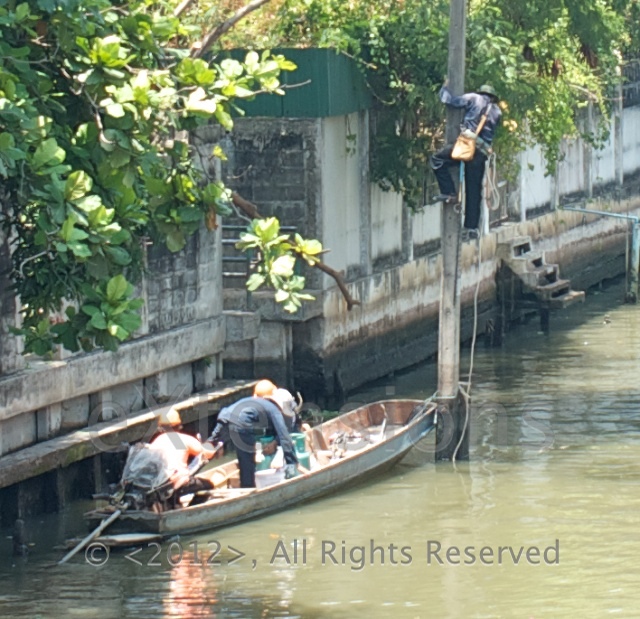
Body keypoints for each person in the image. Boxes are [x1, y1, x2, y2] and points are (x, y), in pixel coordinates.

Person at [431, 82, 502, 233]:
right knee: (474, 188)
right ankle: (471, 227)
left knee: (437, 159)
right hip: (481, 152)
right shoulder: (497, 111)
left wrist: (444, 87)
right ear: (493, 97)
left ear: (481, 92)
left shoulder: (473, 98)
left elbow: (449, 100)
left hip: (465, 146)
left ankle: (449, 192)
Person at [208, 390, 307, 488]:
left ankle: (193, 473)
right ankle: (247, 489)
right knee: (247, 464)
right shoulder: (274, 410)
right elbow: (285, 437)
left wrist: (218, 441)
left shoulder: (260, 403)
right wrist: (293, 462)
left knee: (208, 448)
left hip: (224, 417)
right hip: (241, 422)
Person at [150, 408, 215, 496]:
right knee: (208, 485)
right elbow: (206, 453)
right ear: (179, 425)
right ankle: (194, 506)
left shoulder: (156, 442)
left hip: (160, 484)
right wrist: (210, 446)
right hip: (179, 482)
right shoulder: (184, 439)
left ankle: (176, 504)